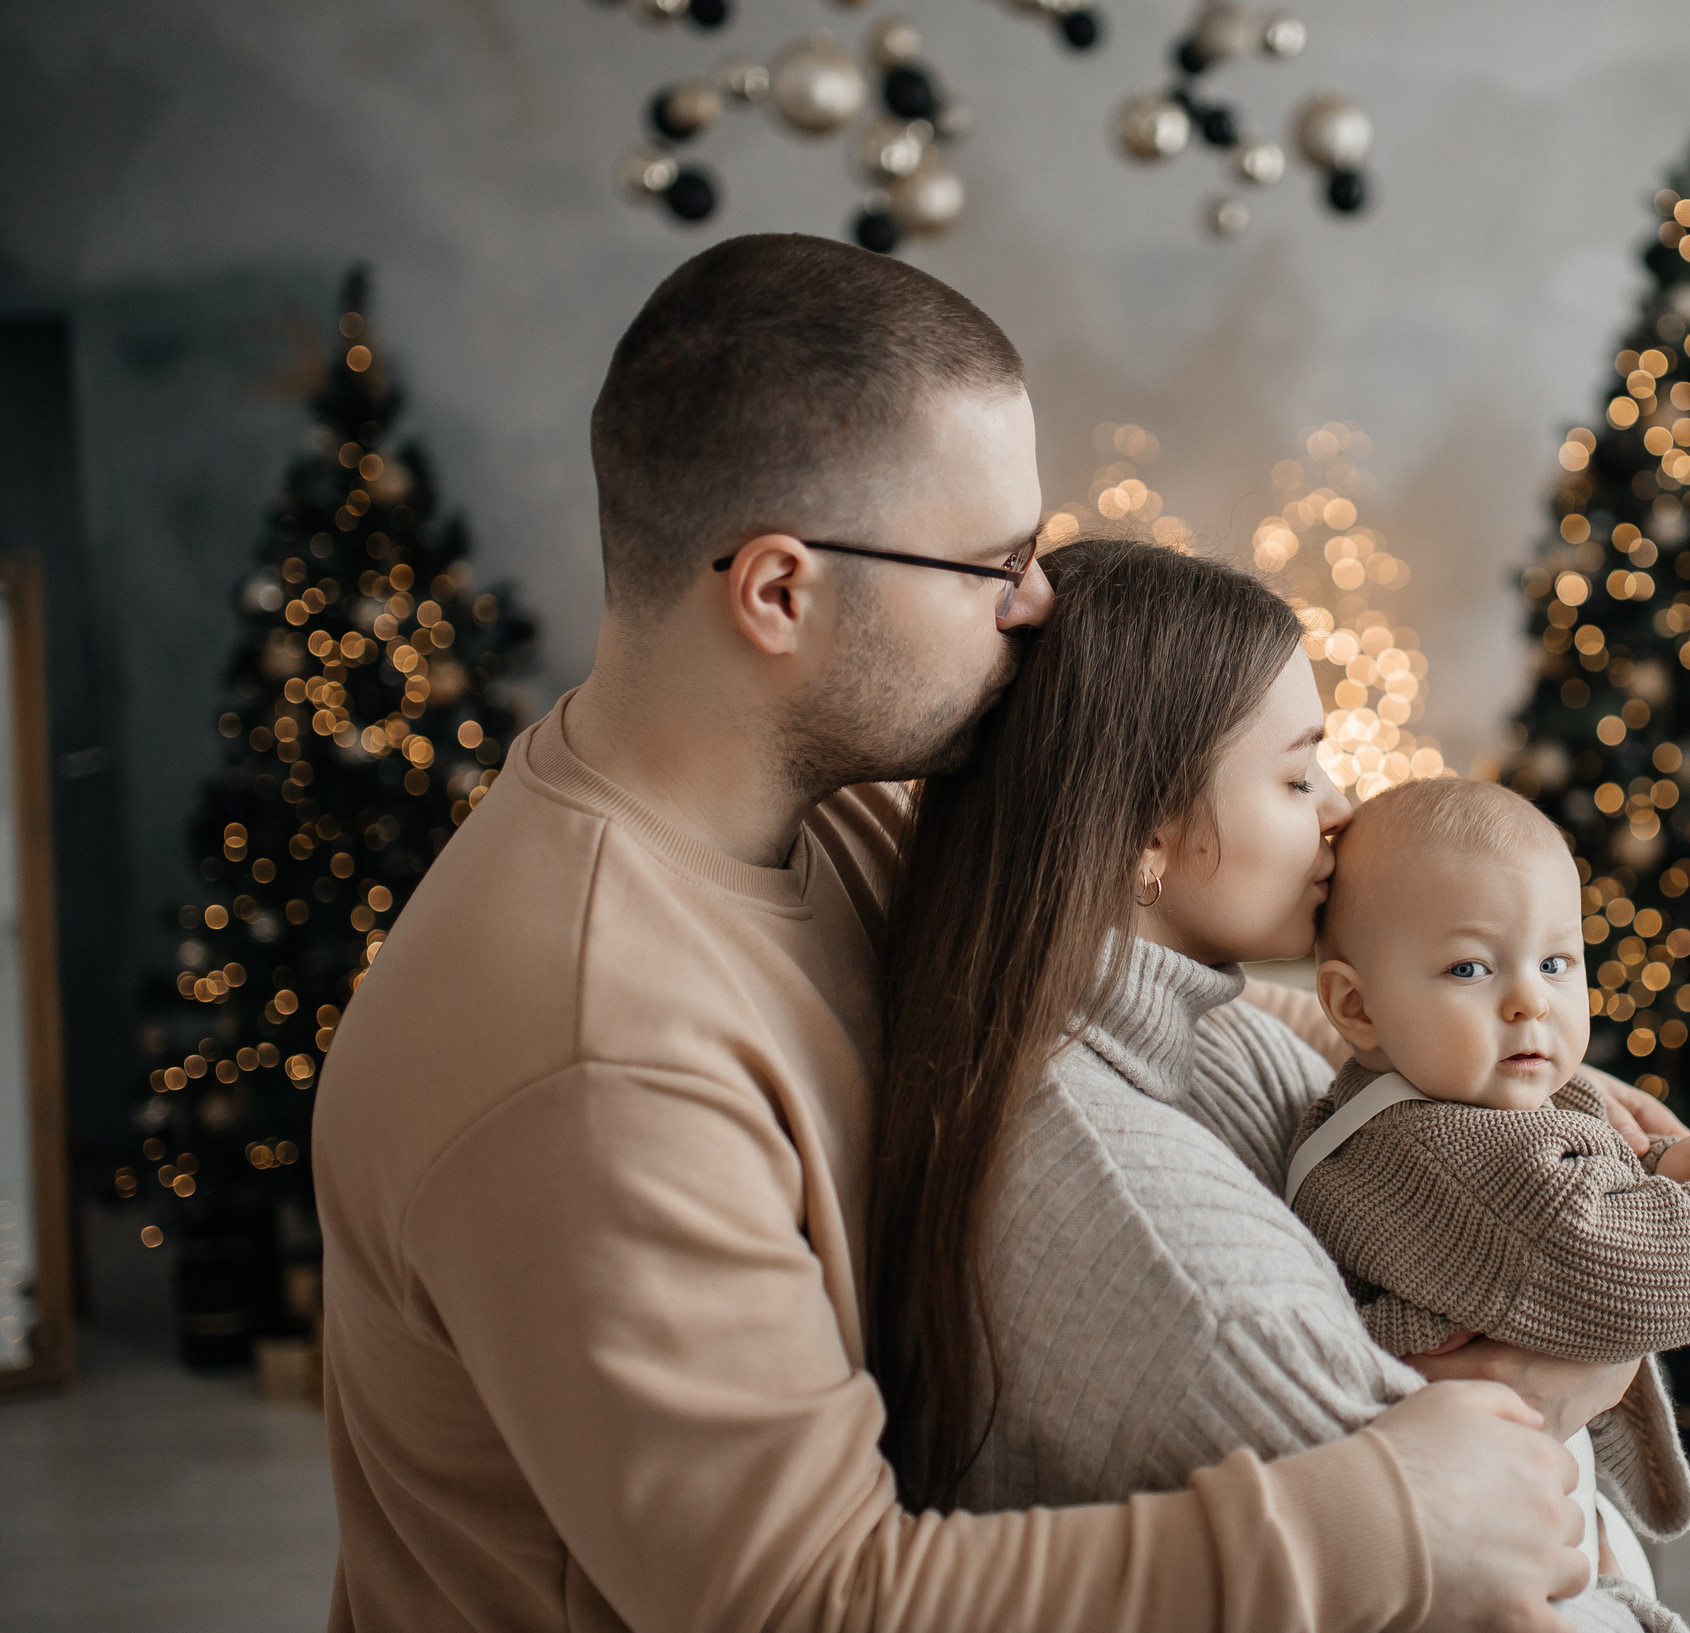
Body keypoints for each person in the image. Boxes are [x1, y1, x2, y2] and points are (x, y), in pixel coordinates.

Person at [312, 234, 1597, 1633]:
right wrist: (1386, 1516)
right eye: (992, 561)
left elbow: (1131, 981)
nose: (1039, 599)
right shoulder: (594, 1052)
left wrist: (1515, 1088)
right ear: (781, 591)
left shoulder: (831, 823)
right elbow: (809, 1601)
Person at [868, 540, 1690, 1633]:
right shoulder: (1189, 1272)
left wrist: (1516, 1057)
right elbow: (1524, 1592)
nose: (1340, 811)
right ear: (1144, 833)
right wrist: (1600, 1356)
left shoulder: (1134, 1025)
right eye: (1297, 775)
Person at [1286, 777, 1690, 1633]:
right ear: (1355, 1005)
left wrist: (1660, 1166)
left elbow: (1562, 1182)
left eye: (1556, 961)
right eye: (1469, 967)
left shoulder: (1449, 1094)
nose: (1529, 998)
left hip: (1518, 1468)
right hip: (1477, 1521)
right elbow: (1609, 1259)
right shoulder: (1432, 1149)